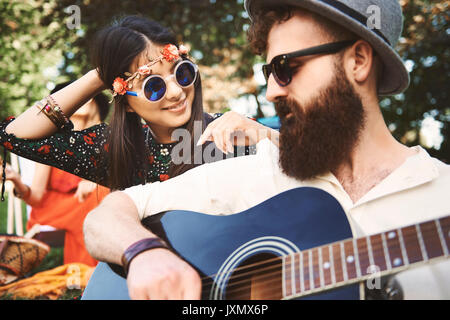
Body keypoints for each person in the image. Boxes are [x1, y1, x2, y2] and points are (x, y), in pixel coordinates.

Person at [83, 0, 450, 300]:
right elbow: (107, 216)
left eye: (287, 67)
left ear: (358, 61)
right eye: (269, 72)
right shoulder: (261, 170)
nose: (272, 91)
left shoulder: (443, 196)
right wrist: (143, 254)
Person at [0, 15, 279, 197]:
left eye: (182, 72)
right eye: (153, 85)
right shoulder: (118, 152)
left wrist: (266, 135)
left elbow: (316, 168)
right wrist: (100, 75)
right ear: (128, 104)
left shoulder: (229, 133)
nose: (176, 92)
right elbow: (15, 135)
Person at [1, 82, 110, 266]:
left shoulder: (107, 137)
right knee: (94, 202)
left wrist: (96, 182)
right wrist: (16, 179)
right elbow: (36, 197)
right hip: (51, 207)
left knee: (101, 195)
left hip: (89, 200)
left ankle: (94, 272)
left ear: (93, 99)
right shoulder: (54, 141)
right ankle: (86, 274)